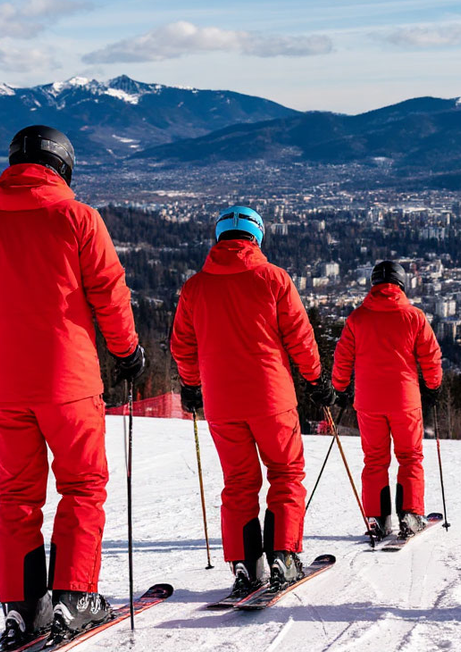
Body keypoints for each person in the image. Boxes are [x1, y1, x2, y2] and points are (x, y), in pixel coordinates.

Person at [0, 125, 146, 650]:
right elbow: (109, 294)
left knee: (16, 497)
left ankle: (21, 608)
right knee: (82, 486)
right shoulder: (77, 218)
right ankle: (74, 597)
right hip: (69, 383)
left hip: (5, 389)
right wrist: (127, 353)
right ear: (64, 166)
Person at [170, 205, 335, 598]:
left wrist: (192, 386)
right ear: (257, 236)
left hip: (221, 403)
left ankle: (245, 567)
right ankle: (283, 556)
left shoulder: (195, 287)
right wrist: (316, 380)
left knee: (239, 483)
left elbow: (183, 345)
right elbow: (299, 335)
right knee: (286, 473)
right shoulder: (274, 278)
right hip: (271, 397)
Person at [331, 260, 442, 540]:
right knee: (410, 457)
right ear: (402, 284)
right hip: (405, 400)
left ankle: (378, 519)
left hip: (368, 402)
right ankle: (410, 514)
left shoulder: (357, 318)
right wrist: (433, 385)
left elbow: (342, 357)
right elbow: (430, 355)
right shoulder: (414, 316)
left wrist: (340, 388)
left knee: (375, 460)